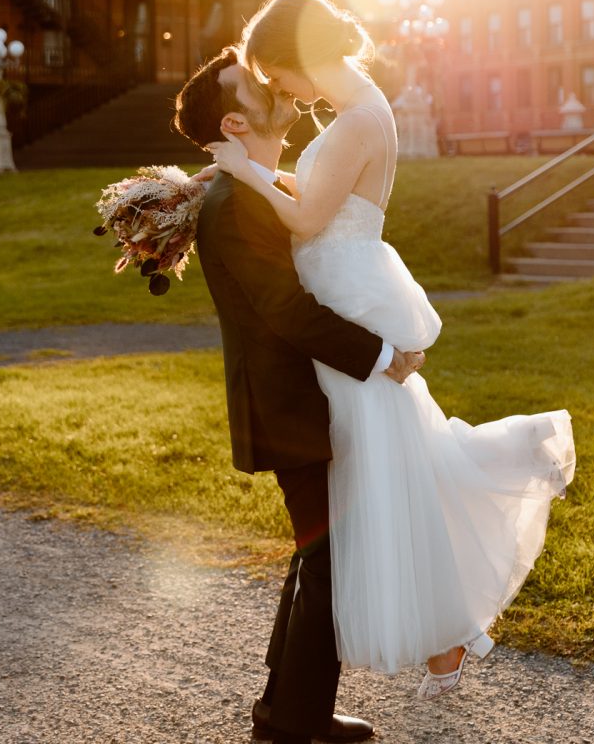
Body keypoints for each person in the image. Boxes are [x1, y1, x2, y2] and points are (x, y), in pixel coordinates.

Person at [207, 0, 577, 700]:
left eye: (277, 76)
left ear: (299, 58)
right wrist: (248, 175)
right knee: (394, 466)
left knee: (381, 473)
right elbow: (317, 198)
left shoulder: (357, 119)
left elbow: (310, 217)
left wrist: (243, 169)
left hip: (342, 300)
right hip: (345, 291)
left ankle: (417, 642)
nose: (279, 91)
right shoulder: (361, 110)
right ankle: (430, 642)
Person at [173, 46, 424, 744]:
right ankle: (294, 722)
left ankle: (286, 709)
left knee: (321, 552)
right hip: (286, 403)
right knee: (331, 557)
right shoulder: (235, 205)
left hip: (297, 399)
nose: (268, 80)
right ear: (233, 119)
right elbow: (287, 310)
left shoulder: (244, 190)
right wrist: (383, 355)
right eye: (251, 83)